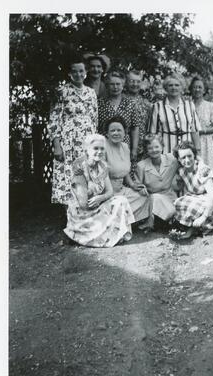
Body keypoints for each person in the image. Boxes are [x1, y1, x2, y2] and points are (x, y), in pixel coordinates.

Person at [64, 134, 134, 247]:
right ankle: (91, 236)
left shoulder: (103, 166)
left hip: (97, 205)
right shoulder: (79, 167)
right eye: (96, 148)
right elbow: (83, 204)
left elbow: (110, 191)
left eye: (102, 148)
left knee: (122, 200)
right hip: (83, 213)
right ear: (87, 149)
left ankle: (114, 235)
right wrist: (99, 201)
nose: (99, 151)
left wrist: (101, 198)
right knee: (114, 205)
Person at [47, 56, 98, 206]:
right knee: (69, 174)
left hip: (87, 140)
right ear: (69, 73)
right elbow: (54, 120)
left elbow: (94, 119)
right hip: (68, 141)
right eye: (74, 71)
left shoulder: (91, 92)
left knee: (86, 173)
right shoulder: (61, 92)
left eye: (81, 71)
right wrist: (57, 145)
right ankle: (70, 216)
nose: (78, 74)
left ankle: (86, 212)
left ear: (86, 72)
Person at [104, 116, 152, 227]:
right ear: (107, 134)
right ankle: (116, 224)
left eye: (119, 130)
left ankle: (124, 221)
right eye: (112, 130)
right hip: (107, 191)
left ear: (125, 132)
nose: (116, 133)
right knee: (120, 204)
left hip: (121, 189)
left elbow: (125, 171)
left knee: (144, 196)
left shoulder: (125, 147)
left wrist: (132, 185)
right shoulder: (103, 148)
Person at [170, 141, 213, 240]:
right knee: (179, 202)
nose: (187, 160)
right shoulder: (182, 171)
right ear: (178, 159)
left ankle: (196, 227)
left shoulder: (202, 170)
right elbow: (177, 187)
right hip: (199, 198)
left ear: (194, 155)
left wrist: (203, 216)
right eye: (183, 158)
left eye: (189, 156)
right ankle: (191, 226)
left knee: (191, 205)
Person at [147, 72, 201, 154]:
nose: (173, 88)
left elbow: (195, 131)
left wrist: (198, 152)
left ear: (182, 87)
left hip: (186, 152)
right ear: (166, 88)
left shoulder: (190, 105)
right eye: (170, 85)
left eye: (177, 85)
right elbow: (152, 133)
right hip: (165, 152)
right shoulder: (157, 106)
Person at [135, 134, 178, 227]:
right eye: (150, 148)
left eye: (157, 147)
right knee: (154, 197)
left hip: (170, 197)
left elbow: (188, 160)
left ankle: (158, 221)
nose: (154, 150)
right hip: (151, 200)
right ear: (146, 150)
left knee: (172, 211)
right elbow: (137, 184)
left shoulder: (171, 159)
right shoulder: (141, 165)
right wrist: (141, 188)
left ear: (162, 147)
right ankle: (152, 221)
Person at [98, 70, 139, 162]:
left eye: (118, 84)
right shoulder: (100, 103)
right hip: (104, 145)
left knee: (124, 172)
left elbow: (135, 128)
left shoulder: (130, 104)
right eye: (112, 84)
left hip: (124, 145)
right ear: (107, 86)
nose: (115, 87)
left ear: (123, 85)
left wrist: (134, 149)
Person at [190, 75, 213, 173]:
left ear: (204, 90)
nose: (197, 89)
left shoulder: (211, 106)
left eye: (200, 87)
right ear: (191, 89)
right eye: (195, 87)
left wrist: (203, 131)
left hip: (206, 144)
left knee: (207, 174)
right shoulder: (186, 105)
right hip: (189, 142)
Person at [125, 70, 152, 161]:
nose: (135, 84)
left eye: (138, 81)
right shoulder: (120, 99)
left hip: (142, 148)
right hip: (124, 145)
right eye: (132, 81)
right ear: (126, 82)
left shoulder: (146, 103)